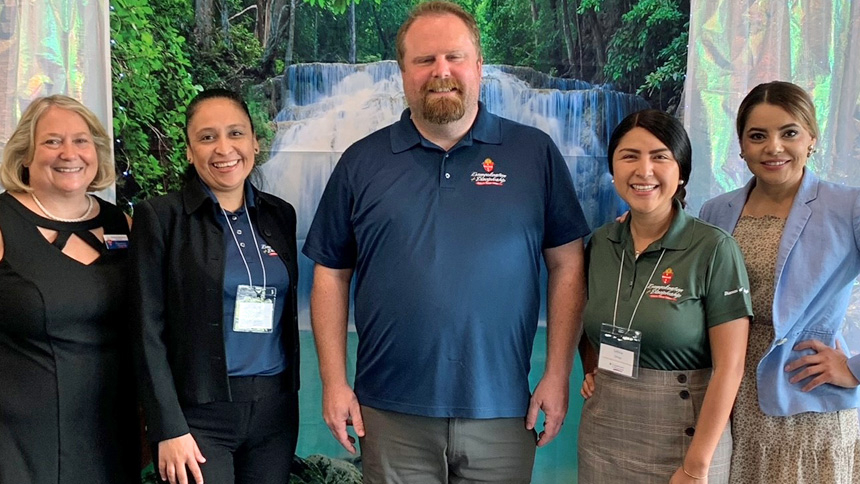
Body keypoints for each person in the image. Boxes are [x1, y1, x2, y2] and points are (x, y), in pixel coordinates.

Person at [302, 1, 589, 482]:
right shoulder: (361, 162)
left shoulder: (533, 153)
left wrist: (557, 373)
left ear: (478, 66)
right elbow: (330, 273)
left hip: (502, 410)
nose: (441, 72)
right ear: (402, 72)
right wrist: (333, 382)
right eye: (424, 60)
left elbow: (568, 265)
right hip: (390, 412)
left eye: (455, 57)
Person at [130, 88, 300, 484]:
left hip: (274, 413)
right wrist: (166, 426)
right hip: (198, 416)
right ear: (189, 150)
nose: (224, 148)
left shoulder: (280, 215)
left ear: (255, 142)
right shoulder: (161, 217)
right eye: (207, 137)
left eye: (236, 133)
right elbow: (145, 331)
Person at [578, 109, 752, 483]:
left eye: (660, 156)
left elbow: (730, 367)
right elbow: (587, 321)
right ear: (612, 168)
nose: (644, 171)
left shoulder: (714, 249)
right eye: (629, 156)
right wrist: (593, 369)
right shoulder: (600, 244)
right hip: (604, 436)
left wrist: (697, 465)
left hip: (684, 442)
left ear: (681, 171)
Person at [699, 80, 860, 483]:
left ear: (811, 139)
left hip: (804, 405)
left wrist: (855, 368)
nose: (773, 147)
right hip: (726, 401)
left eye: (789, 133)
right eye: (758, 136)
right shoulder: (716, 211)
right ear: (741, 146)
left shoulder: (847, 206)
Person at [0, 95, 139, 483]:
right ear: (25, 154)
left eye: (81, 140)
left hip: (110, 434)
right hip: (21, 442)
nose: (68, 153)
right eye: (51, 141)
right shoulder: (3, 222)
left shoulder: (121, 223)